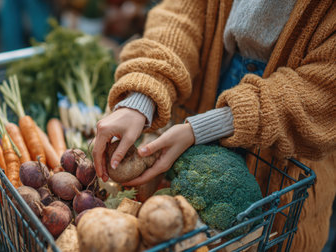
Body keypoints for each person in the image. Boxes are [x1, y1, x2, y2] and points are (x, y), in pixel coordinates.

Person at [92, 0, 335, 251]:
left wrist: (208, 126)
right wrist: (141, 97)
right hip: (202, 105)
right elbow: (180, 17)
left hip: (286, 169)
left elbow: (323, 91)